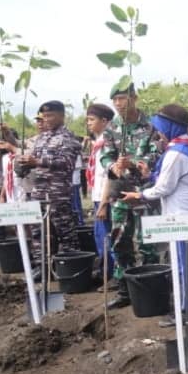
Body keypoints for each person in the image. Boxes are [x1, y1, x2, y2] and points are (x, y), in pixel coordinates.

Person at [120, 104, 188, 324]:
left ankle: (187, 309)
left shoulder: (176, 153)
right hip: (186, 211)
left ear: (171, 127)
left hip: (182, 215)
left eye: (160, 128)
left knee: (183, 263)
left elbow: (163, 189)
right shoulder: (183, 146)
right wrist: (150, 174)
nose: (158, 133)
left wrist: (138, 196)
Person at [101, 84, 162, 308]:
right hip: (119, 194)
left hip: (144, 193)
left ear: (134, 98)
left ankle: (151, 289)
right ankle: (125, 291)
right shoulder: (111, 128)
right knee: (119, 241)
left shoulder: (150, 127)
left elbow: (157, 157)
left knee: (148, 243)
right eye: (115, 100)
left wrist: (136, 164)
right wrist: (113, 166)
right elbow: (105, 156)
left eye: (122, 98)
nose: (118, 104)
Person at [15, 101, 83, 280]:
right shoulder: (41, 138)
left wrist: (37, 162)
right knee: (40, 232)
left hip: (58, 193)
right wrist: (24, 165)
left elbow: (67, 164)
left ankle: (71, 269)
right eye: (44, 116)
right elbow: (33, 161)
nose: (47, 120)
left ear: (61, 115)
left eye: (50, 116)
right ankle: (43, 267)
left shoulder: (68, 138)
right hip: (38, 191)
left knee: (64, 232)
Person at [85, 103, 117, 279]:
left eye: (92, 119)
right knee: (100, 237)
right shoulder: (98, 144)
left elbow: (109, 176)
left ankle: (111, 274)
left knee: (107, 238)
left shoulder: (107, 143)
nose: (88, 123)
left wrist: (103, 203)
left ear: (104, 121)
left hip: (106, 199)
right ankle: (107, 272)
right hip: (98, 196)